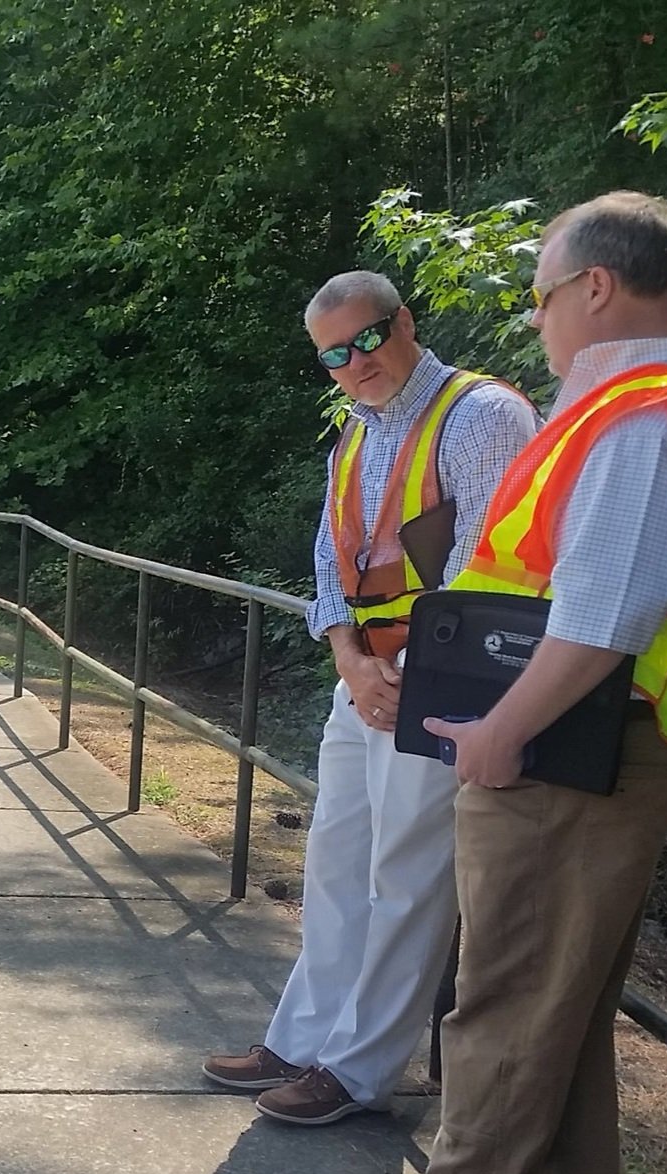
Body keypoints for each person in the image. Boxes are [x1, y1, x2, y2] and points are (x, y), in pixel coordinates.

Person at [315, 192, 667, 1174]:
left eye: (541, 296)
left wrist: (498, 732)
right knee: (559, 996)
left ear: (595, 288)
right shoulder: (629, 412)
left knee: (506, 989)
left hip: (582, 743)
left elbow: (601, 614)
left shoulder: (644, 420)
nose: (535, 320)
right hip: (595, 736)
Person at [202, 272, 537, 1126]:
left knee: (408, 875)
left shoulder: (483, 415)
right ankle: (304, 1037)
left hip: (440, 686)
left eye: (368, 339)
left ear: (404, 322)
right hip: (366, 682)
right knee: (339, 859)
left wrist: (407, 675)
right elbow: (329, 559)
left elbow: (489, 567)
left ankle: (355, 1071)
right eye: (334, 357)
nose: (356, 365)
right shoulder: (355, 431)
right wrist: (350, 659)